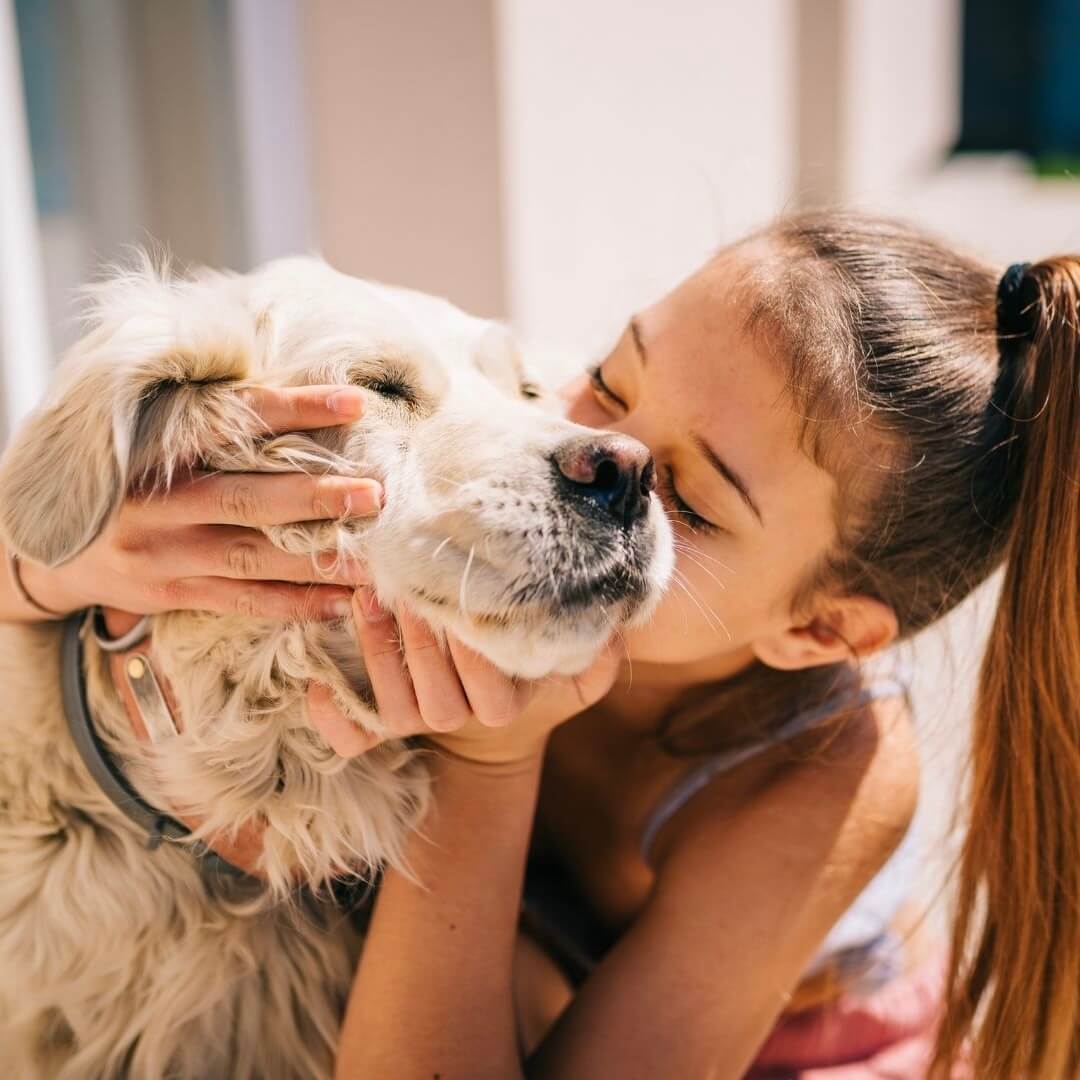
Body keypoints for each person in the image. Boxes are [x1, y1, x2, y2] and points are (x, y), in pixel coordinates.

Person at [3, 213, 1076, 1079]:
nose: (591, 453)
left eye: (691, 502)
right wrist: (53, 566)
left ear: (819, 628)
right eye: (612, 377)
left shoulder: (830, 771)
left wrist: (492, 761)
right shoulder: (531, 442)